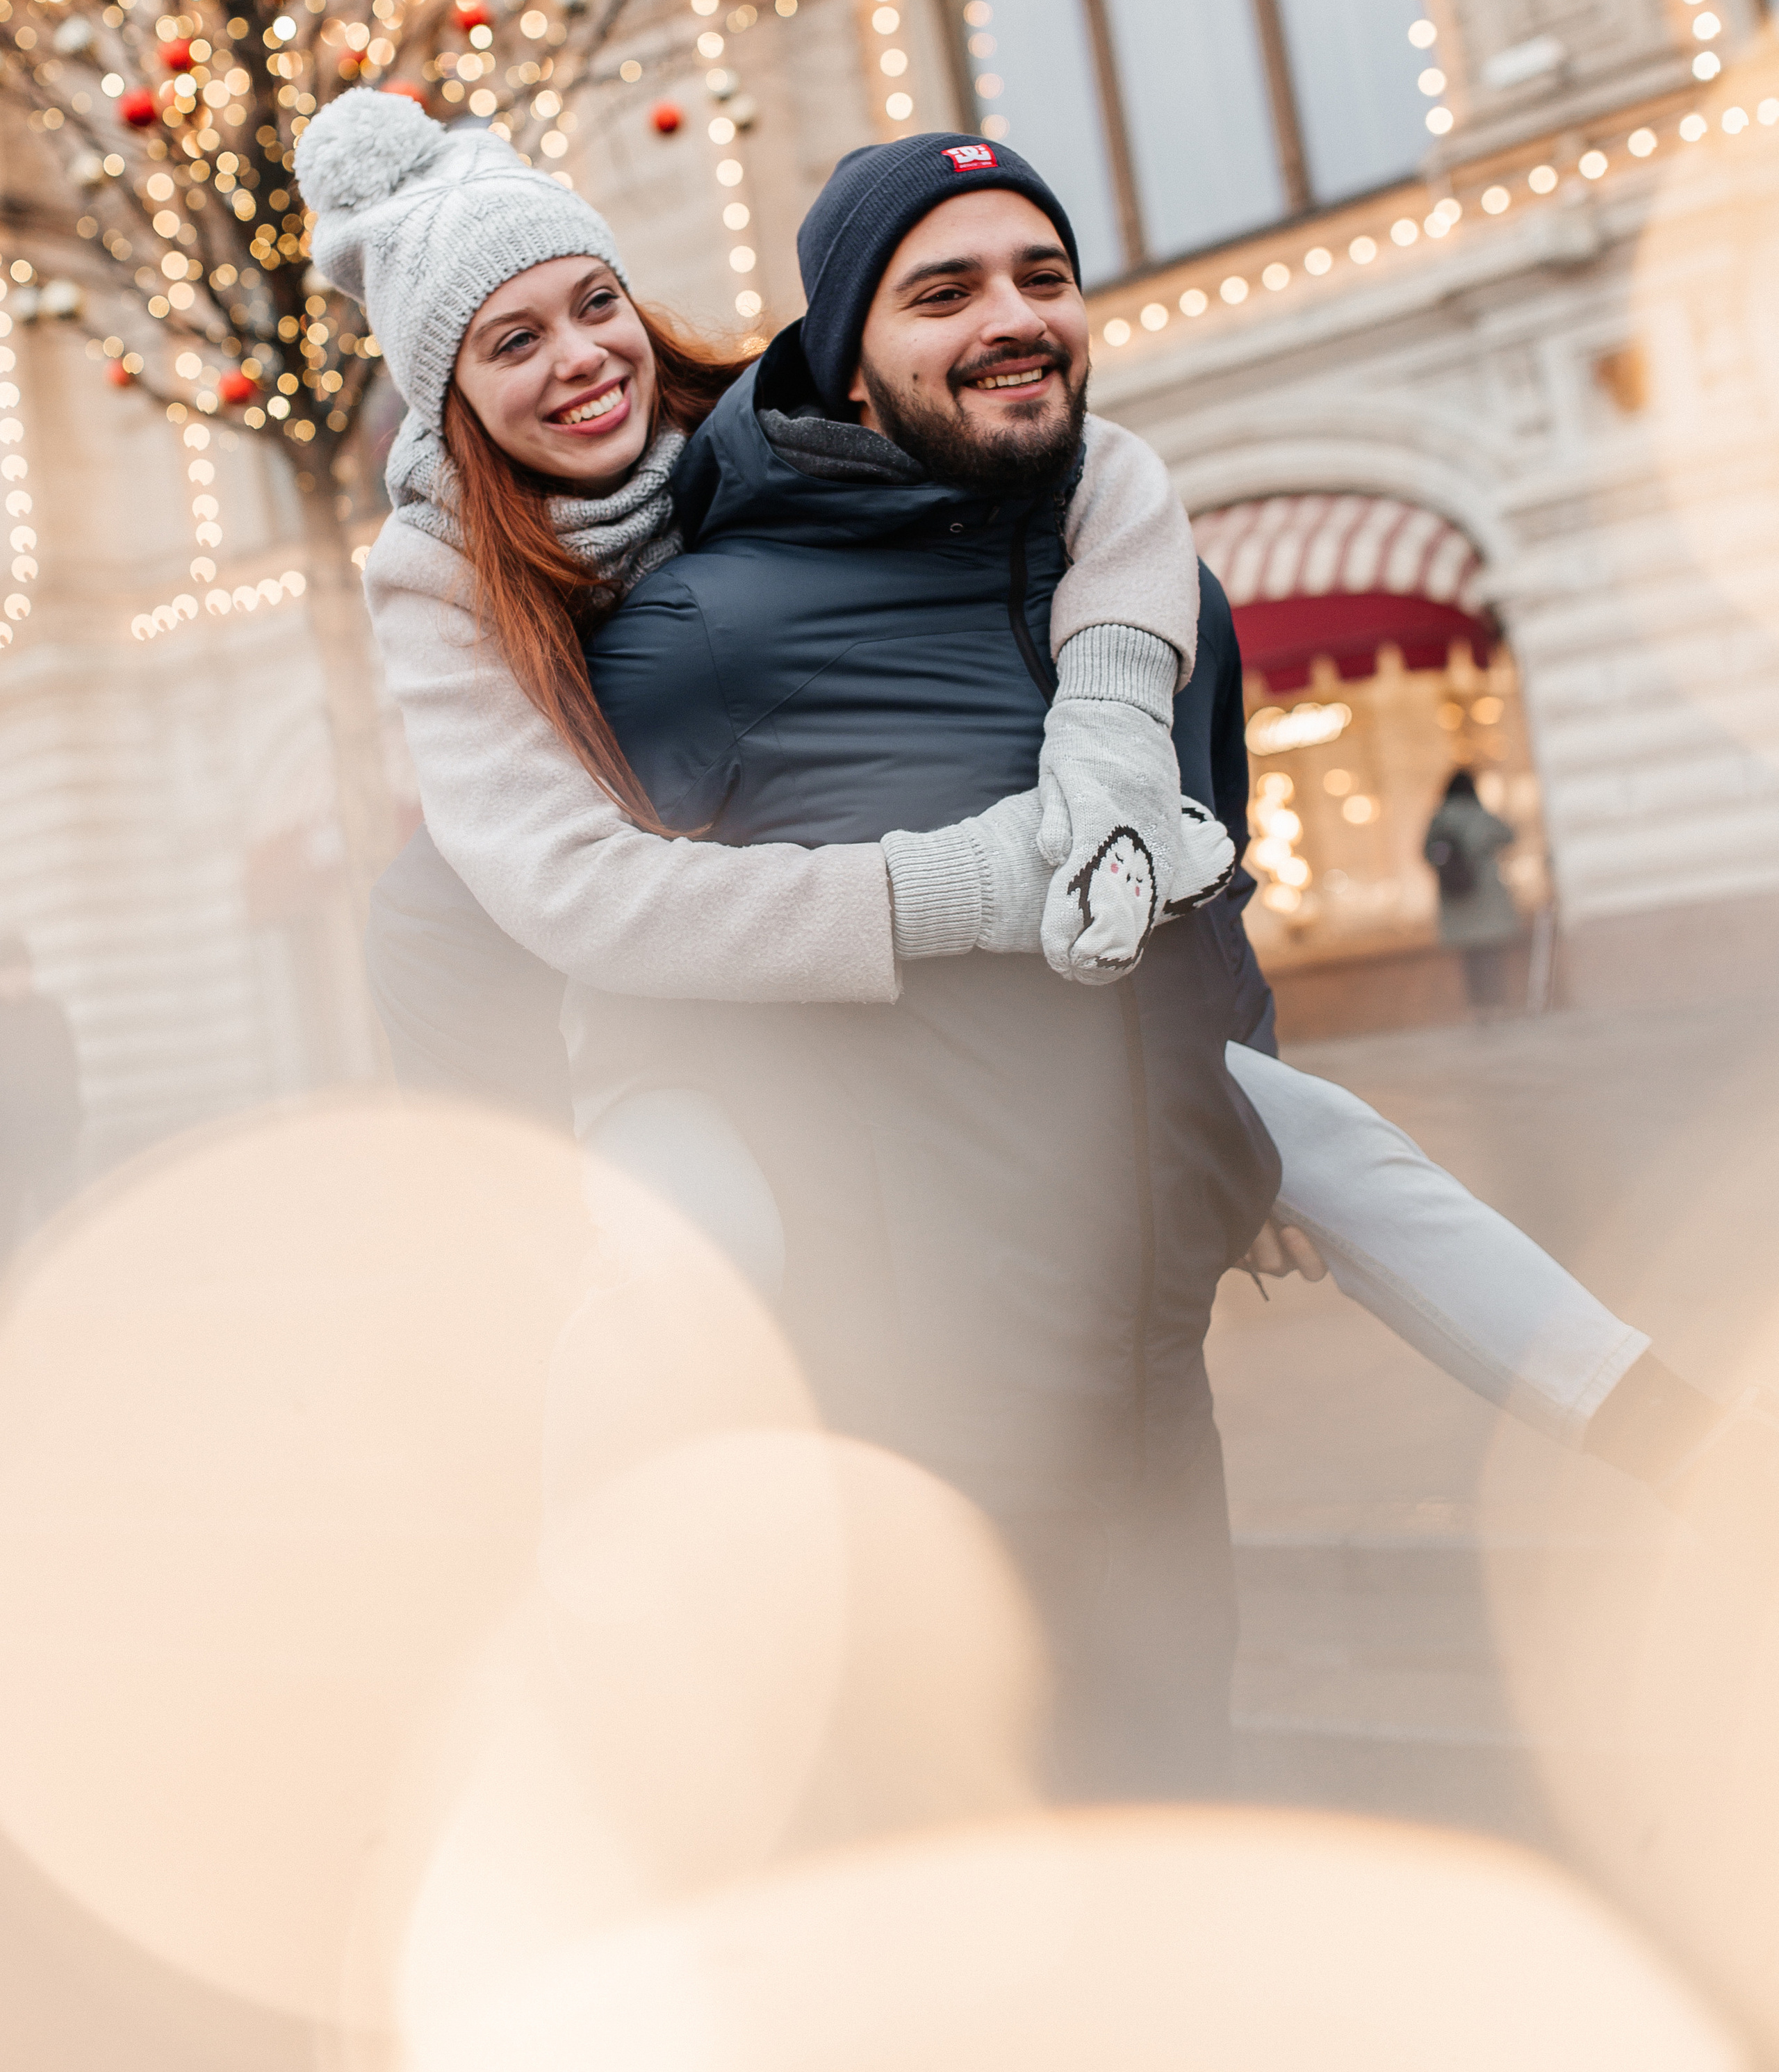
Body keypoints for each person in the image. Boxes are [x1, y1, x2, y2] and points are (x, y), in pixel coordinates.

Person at [300, 100, 1746, 1787]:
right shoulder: (440, 580)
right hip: (671, 1026)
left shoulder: (739, 436)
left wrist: (1116, 743)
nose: (577, 361)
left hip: (960, 1026)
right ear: (446, 389)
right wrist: (953, 891)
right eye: (511, 340)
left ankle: (1670, 1435)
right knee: (682, 1259)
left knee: (1318, 1141)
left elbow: (1102, 467)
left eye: (591, 305)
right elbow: (560, 899)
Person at [0, 933, 81, 1271]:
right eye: (9, 971)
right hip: (8, 1150)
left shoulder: (50, 1013)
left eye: (23, 969)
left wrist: (70, 1125)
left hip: (51, 1142)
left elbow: (69, 1072)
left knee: (62, 1226)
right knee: (7, 1233)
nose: (18, 978)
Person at [1425, 766, 1521, 1016]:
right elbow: (1509, 836)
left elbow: (1426, 853)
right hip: (1486, 897)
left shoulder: (1440, 819)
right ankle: (1497, 1006)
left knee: (1470, 962)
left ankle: (1479, 1009)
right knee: (1491, 958)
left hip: (1456, 900)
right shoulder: (1479, 815)